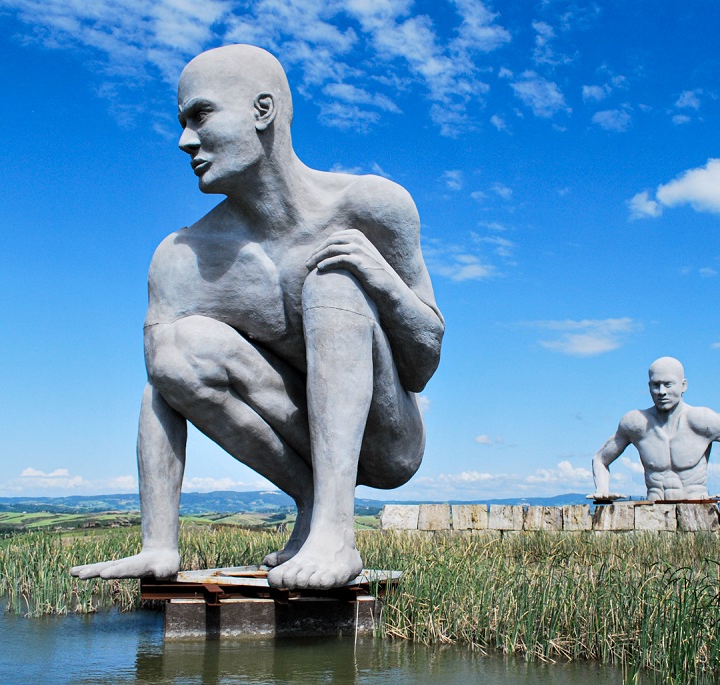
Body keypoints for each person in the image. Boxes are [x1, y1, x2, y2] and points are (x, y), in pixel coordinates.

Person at [71, 45, 443, 590]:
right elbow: (162, 390)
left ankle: (337, 534)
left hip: (387, 441)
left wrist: (381, 282)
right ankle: (314, 509)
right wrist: (158, 542)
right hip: (299, 432)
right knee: (172, 350)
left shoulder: (370, 205)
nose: (185, 141)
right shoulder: (181, 258)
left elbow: (423, 366)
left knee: (333, 275)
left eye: (200, 115)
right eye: (182, 123)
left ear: (262, 111)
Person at [590, 357, 720, 502]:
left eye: (668, 384)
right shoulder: (636, 423)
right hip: (653, 514)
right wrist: (602, 489)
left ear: (683, 385)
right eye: (656, 385)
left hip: (696, 511)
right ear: (649, 387)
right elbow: (600, 459)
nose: (661, 391)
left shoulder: (700, 420)